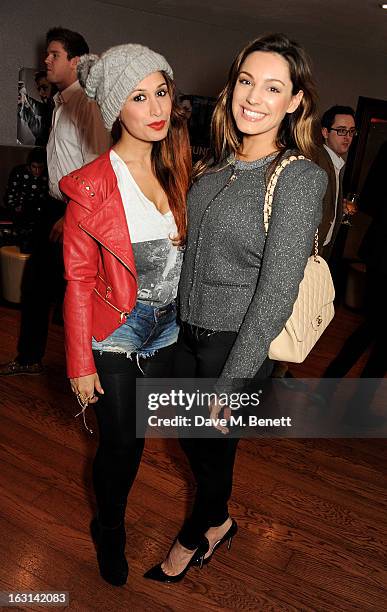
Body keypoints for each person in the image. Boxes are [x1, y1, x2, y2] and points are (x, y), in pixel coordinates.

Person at [144, 33, 328, 583]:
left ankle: (192, 540)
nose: (254, 96)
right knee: (189, 441)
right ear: (232, 87)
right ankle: (219, 520)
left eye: (273, 87)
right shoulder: (213, 168)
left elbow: (276, 290)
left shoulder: (299, 177)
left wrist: (232, 381)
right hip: (186, 332)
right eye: (247, 81)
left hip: (238, 343)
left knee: (214, 453)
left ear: (295, 101)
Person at [59, 44, 191, 587]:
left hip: (170, 327)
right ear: (117, 108)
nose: (156, 107)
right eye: (139, 96)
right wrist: (79, 363)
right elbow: (77, 280)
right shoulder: (91, 186)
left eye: (161, 91)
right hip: (116, 329)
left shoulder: (180, 168)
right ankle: (108, 528)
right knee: (122, 443)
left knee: (147, 431)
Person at [0, 27, 110, 376]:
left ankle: (87, 372)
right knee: (35, 286)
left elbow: (99, 165)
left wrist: (72, 216)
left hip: (75, 210)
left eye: (54, 55)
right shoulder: (60, 103)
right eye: (47, 54)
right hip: (54, 207)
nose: (46, 60)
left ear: (76, 61)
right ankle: (30, 358)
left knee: (75, 296)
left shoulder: (87, 104)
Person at [316, 105, 357, 261]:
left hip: (322, 250)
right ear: (325, 132)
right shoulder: (316, 160)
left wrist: (339, 205)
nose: (347, 137)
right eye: (341, 130)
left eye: (351, 131)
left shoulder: (335, 163)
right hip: (308, 251)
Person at [2, 148, 48, 252]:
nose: (37, 171)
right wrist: (15, 208)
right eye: (34, 167)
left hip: (40, 214)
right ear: (29, 165)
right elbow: (9, 195)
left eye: (40, 167)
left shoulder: (47, 175)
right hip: (20, 212)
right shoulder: (19, 172)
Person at [18, 71, 55, 145]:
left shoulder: (60, 108)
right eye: (39, 89)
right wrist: (24, 96)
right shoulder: (48, 107)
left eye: (45, 88)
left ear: (54, 87)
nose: (40, 93)